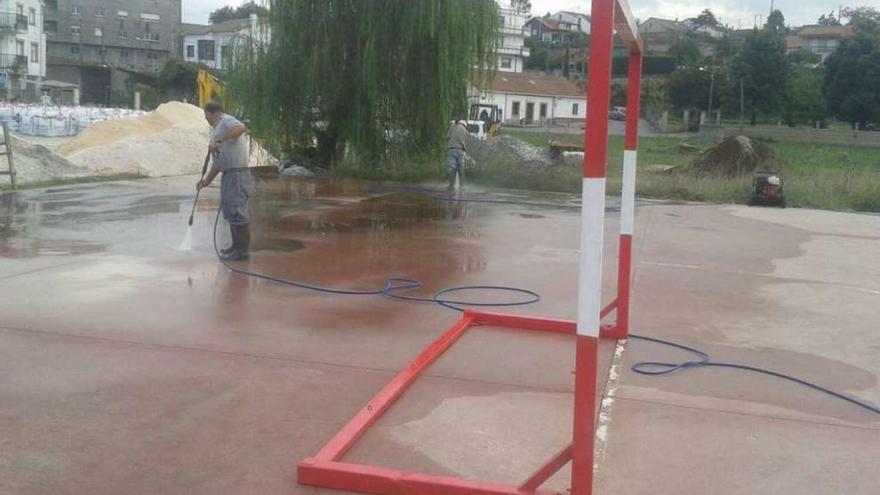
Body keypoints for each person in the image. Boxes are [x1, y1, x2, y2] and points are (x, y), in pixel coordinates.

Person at [197, 101, 253, 261]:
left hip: (236, 175)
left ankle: (242, 251)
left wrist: (220, 140)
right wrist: (206, 181)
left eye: (206, 116)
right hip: (229, 175)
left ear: (212, 113)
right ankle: (236, 246)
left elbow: (241, 128)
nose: (206, 119)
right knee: (230, 211)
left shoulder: (226, 121)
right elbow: (218, 162)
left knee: (237, 211)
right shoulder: (218, 128)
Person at [446, 118, 469, 191]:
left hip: (452, 149)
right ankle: (462, 187)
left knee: (452, 168)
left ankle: (451, 186)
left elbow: (447, 137)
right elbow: (467, 139)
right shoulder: (464, 130)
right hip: (461, 151)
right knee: (461, 168)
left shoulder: (452, 127)